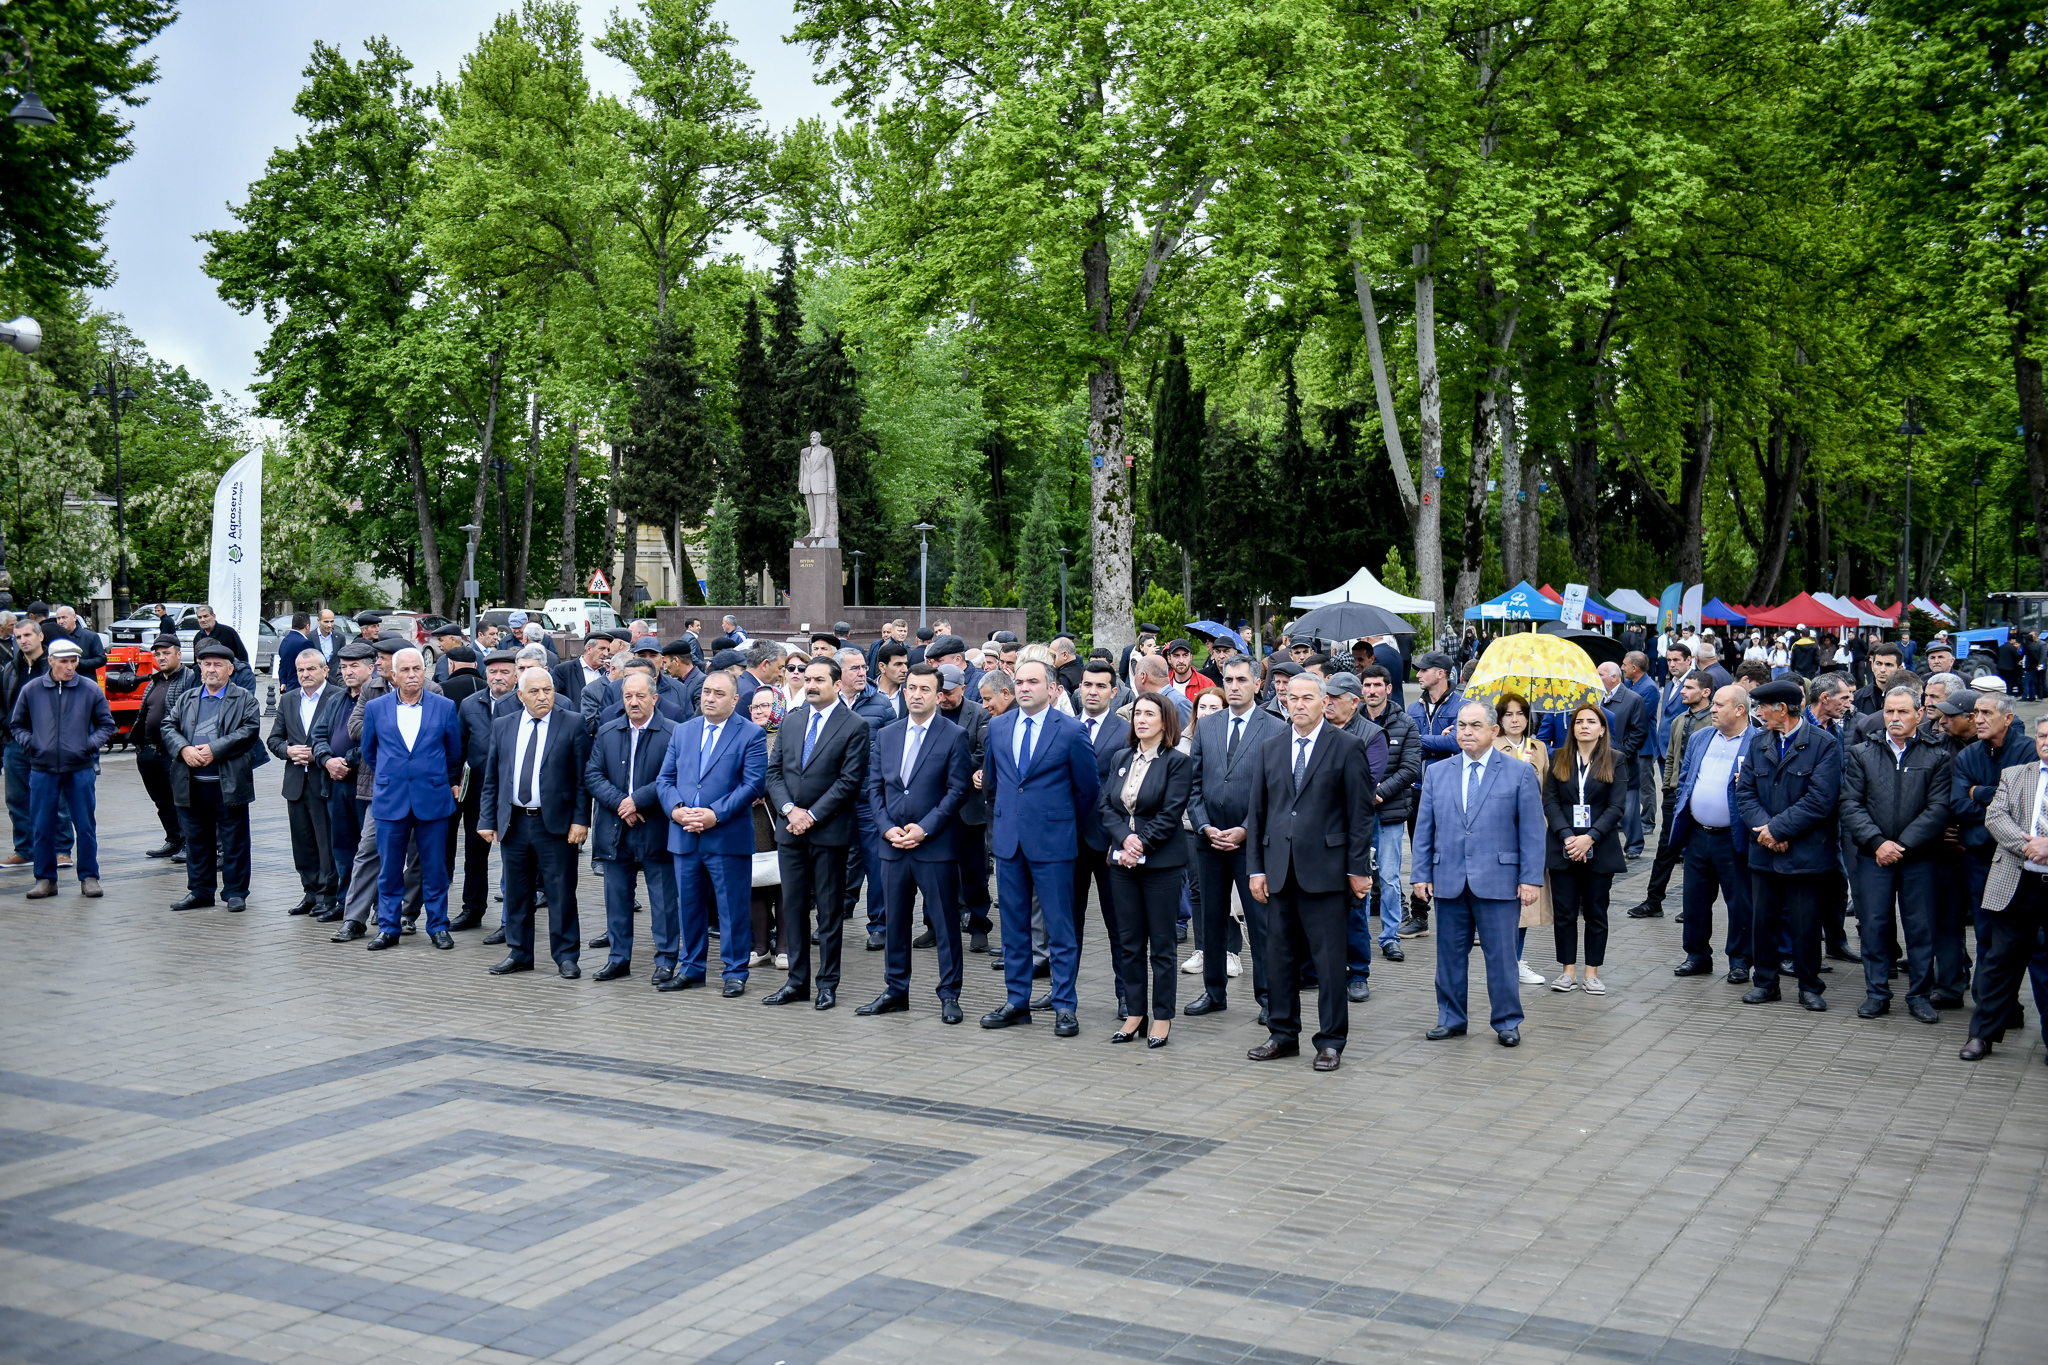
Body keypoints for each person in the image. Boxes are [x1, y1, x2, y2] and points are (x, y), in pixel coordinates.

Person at [1244, 673, 1376, 1070]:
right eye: (1292, 698)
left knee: (1329, 962)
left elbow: (1360, 813)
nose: (1298, 704)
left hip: (1327, 872)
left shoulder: (1347, 747)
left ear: (1325, 703)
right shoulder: (1270, 748)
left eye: (1307, 698)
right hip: (1279, 871)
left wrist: (1357, 868)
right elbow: (1258, 813)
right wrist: (1255, 869)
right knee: (1278, 958)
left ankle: (1331, 1041)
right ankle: (1283, 1034)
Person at [1411, 700, 1545, 1046]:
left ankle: (1506, 1022)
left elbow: (1531, 830)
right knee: (1449, 957)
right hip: (1449, 880)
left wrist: (1530, 879)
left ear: (1494, 731)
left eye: (1474, 726)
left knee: (1501, 957)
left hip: (1499, 880)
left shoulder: (1519, 772)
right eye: (1461, 726)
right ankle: (1451, 1018)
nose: (1466, 732)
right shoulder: (1438, 772)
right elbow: (1424, 829)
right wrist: (1420, 874)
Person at [980, 659, 1101, 1036]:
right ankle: (1017, 1001)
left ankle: (1065, 1005)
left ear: (1052, 688)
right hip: (1009, 843)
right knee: (1014, 928)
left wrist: (1058, 821)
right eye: (1019, 681)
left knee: (1059, 929)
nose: (1024, 687)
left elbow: (1088, 790)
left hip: (1054, 844)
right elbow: (994, 784)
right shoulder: (998, 727)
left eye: (1033, 681)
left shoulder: (1070, 730)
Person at [860, 662, 973, 1022]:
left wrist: (925, 828)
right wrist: (885, 828)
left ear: (938, 696)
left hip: (934, 845)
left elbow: (957, 791)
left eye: (925, 689)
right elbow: (875, 788)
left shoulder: (953, 735)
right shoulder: (887, 735)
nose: (917, 695)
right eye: (912, 688)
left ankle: (949, 994)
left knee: (945, 922)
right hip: (892, 845)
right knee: (895, 922)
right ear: (904, 691)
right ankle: (896, 990)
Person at [761, 656, 870, 1010]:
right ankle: (797, 982)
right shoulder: (793, 722)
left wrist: (813, 815)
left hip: (828, 832)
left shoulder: (854, 725)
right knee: (792, 909)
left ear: (837, 685)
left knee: (828, 912)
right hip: (790, 830)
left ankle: (828, 983)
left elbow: (849, 781)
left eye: (818, 680)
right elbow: (774, 772)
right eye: (806, 678)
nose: (809, 685)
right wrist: (790, 811)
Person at [1839, 685, 1952, 1022]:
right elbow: (1850, 803)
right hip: (1873, 857)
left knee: (1920, 928)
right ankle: (1877, 993)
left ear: (1919, 714)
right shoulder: (1862, 752)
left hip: (1919, 858)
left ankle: (1918, 996)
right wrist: (1878, 843)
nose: (1895, 718)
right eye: (1889, 711)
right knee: (1874, 925)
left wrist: (1901, 845)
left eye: (1903, 712)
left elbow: (1938, 809)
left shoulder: (1937, 755)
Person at [1188, 656, 1287, 1021]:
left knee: (1261, 924)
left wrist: (1246, 828)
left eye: (1241, 679)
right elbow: (1193, 784)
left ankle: (1268, 998)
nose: (1233, 686)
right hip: (1210, 840)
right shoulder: (1207, 725)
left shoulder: (1275, 728)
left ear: (1257, 684)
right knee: (1212, 920)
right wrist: (1203, 825)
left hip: (1253, 843)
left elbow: (1277, 790)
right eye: (1228, 679)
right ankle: (1214, 992)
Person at [657, 669, 767, 994]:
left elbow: (753, 786)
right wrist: (677, 810)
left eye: (719, 693)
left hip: (726, 836)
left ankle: (735, 971)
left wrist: (714, 815)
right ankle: (691, 968)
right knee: (689, 907)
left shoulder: (750, 734)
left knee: (732, 908)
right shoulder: (683, 732)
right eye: (706, 691)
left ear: (735, 700)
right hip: (685, 836)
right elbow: (664, 780)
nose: (710, 698)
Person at [1735, 678, 1841, 1010]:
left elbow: (1820, 800)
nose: (1759, 714)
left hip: (1805, 853)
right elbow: (1745, 793)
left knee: (1805, 923)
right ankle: (1765, 983)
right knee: (1762, 921)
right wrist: (1764, 831)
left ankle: (1810, 986)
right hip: (1764, 851)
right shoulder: (1759, 743)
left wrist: (1777, 830)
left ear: (1782, 709)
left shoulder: (1824, 744)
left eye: (1762, 708)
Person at [480, 670, 592, 977]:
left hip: (555, 824)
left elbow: (583, 779)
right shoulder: (504, 725)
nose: (542, 697)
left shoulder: (572, 722)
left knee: (561, 892)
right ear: (520, 695)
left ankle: (567, 955)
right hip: (514, 823)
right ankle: (519, 952)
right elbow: (493, 777)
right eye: (534, 692)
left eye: (548, 690)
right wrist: (487, 819)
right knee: (517, 892)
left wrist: (581, 820)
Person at [355, 647, 465, 951]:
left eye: (417, 668)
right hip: (392, 798)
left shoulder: (443, 707)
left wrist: (430, 775)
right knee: (389, 869)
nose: (412, 675)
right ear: (394, 675)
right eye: (405, 670)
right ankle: (389, 928)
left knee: (435, 868)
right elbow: (370, 751)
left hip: (432, 797)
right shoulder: (377, 708)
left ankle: (438, 926)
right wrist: (396, 774)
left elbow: (453, 752)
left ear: (425, 671)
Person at [1100, 693, 1193, 1048]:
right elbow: (1106, 806)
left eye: (1149, 714)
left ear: (1165, 721)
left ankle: (1163, 1017)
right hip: (1123, 863)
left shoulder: (1177, 762)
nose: (1140, 719)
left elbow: (1171, 814)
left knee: (1162, 946)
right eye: (1137, 713)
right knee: (1129, 943)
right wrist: (1124, 840)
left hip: (1161, 865)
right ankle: (1135, 1013)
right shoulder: (1121, 757)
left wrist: (1138, 843)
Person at [1958, 713, 2048, 1063]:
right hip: (2018, 883)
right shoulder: (2015, 774)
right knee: (1999, 963)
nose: (2045, 742)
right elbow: (1996, 816)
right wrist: (2029, 846)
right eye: (2041, 735)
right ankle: (1982, 1036)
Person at [584, 672, 680, 983]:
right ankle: (618, 959)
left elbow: (673, 776)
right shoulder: (608, 730)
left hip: (656, 828)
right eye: (628, 697)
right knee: (616, 899)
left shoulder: (673, 733)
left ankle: (666, 960)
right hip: (615, 828)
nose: (633, 702)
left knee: (663, 901)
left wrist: (637, 801)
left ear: (655, 698)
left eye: (640, 696)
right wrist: (620, 803)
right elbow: (593, 775)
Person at [9, 637, 114, 900]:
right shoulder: (32, 689)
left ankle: (89, 877)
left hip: (80, 768)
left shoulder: (89, 689)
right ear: (51, 661)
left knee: (85, 825)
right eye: (64, 661)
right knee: (42, 826)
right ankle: (45, 879)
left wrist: (87, 745)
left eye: (73, 661)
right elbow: (17, 724)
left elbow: (107, 725)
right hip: (42, 768)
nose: (70, 667)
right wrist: (33, 744)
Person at [163, 642, 262, 912]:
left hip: (228, 783)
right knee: (196, 841)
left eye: (218, 664)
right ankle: (200, 890)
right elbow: (168, 725)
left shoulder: (244, 698)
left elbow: (249, 730)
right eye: (206, 664)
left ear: (230, 669)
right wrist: (183, 748)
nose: (211, 669)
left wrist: (214, 750)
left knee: (234, 842)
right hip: (191, 783)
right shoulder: (188, 697)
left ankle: (235, 892)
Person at [1541, 703, 1628, 994]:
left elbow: (1616, 807)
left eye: (1591, 721)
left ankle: (1592, 973)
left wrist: (1589, 837)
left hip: (1599, 846)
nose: (1584, 726)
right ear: (1572, 728)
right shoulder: (1558, 757)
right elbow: (1550, 802)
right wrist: (1567, 836)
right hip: (1563, 845)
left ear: (1602, 729)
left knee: (1595, 912)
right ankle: (1567, 972)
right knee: (1564, 913)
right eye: (1579, 722)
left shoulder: (1615, 760)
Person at [1630, 671, 1715, 920]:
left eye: (1689, 688)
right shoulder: (1680, 719)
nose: (1683, 692)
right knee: (1666, 849)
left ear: (1705, 692)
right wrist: (1668, 786)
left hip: (1700, 796)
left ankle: (1695, 907)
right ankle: (1653, 901)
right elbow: (1671, 757)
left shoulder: (1713, 722)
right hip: (1675, 795)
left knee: (1698, 855)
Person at [267, 649, 346, 916]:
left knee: (327, 842)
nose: (305, 675)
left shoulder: (338, 696)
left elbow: (345, 740)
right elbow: (274, 739)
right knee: (302, 844)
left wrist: (321, 755)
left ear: (325, 670)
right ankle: (310, 893)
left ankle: (328, 895)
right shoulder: (289, 699)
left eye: (311, 669)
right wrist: (288, 751)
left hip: (325, 781)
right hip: (295, 783)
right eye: (300, 670)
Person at [1357, 664, 1421, 962]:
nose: (1372, 691)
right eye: (1367, 686)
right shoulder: (1352, 722)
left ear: (1388, 688)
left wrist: (1379, 792)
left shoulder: (1405, 723)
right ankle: (1359, 939)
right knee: (1360, 875)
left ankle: (1390, 936)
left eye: (1377, 686)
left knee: (1391, 878)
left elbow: (1410, 769)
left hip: (1391, 811)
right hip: (1358, 813)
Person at [1401, 651, 1464, 939]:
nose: (1418, 675)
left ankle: (1462, 916)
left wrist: (1427, 743)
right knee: (1420, 851)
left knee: (1451, 852)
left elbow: (1459, 743)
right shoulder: (1414, 708)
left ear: (1441, 673)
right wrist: (1440, 743)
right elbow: (1407, 744)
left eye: (1424, 670)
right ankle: (1420, 916)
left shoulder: (1462, 705)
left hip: (1449, 792)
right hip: (1416, 790)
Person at [313, 643, 374, 929]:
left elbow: (373, 739)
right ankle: (344, 902)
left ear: (371, 668)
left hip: (364, 786)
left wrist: (346, 762)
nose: (348, 672)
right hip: (335, 784)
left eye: (354, 666)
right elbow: (319, 734)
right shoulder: (336, 699)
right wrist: (326, 760)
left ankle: (374, 905)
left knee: (370, 849)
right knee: (343, 847)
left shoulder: (376, 699)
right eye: (344, 666)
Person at [1492, 694, 1551, 986]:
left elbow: (1546, 792)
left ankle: (1515, 961)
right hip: (1500, 832)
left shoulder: (1539, 748)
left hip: (1531, 831)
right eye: (1508, 714)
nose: (1515, 719)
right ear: (1499, 720)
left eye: (1520, 713)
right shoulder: (1492, 747)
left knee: (1526, 904)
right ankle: (1503, 962)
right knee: (1501, 901)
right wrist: (1518, 765)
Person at [937, 663, 995, 952]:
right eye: (940, 692)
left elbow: (985, 752)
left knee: (974, 871)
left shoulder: (980, 714)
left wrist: (953, 765)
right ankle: (934, 927)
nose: (943, 698)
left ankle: (978, 925)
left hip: (969, 809)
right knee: (937, 872)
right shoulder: (929, 713)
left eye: (948, 692)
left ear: (962, 688)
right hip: (935, 806)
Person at [135, 634, 197, 861]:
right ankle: (173, 839)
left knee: (182, 800)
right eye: (157, 654)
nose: (161, 658)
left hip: (172, 751)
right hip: (148, 750)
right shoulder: (155, 680)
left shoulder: (190, 678)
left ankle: (189, 844)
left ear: (178, 654)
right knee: (161, 800)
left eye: (166, 653)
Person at [1598, 662, 1650, 859]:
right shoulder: (1596, 698)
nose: (1597, 678)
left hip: (1623, 764)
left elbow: (1639, 732)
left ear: (1614, 677)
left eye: (1601, 675)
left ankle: (1634, 845)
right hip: (1598, 762)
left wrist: (1621, 753)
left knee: (1628, 809)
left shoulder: (1633, 699)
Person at [276, 611, 316, 685]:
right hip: (300, 686)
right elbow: (314, 663)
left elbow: (282, 664)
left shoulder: (285, 641)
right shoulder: (304, 643)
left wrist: (283, 682)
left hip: (289, 685)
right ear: (307, 626)